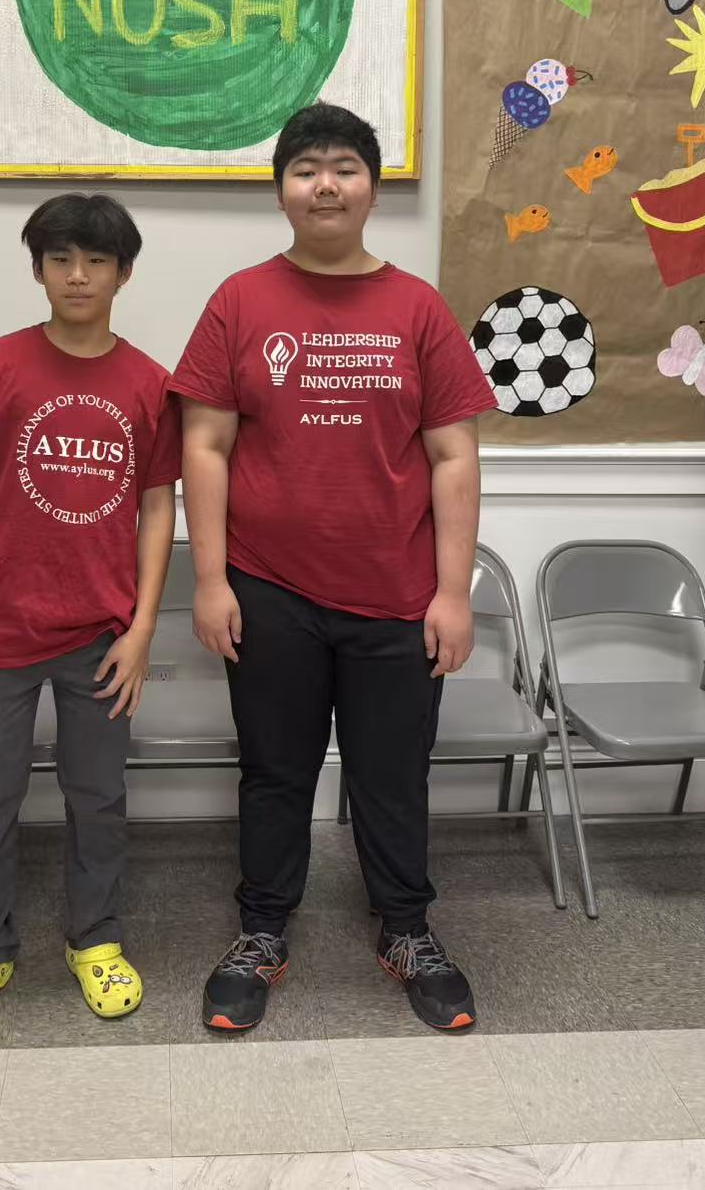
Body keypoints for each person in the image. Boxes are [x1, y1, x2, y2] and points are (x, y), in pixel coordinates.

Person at [171, 104, 495, 1034]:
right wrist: (210, 579)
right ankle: (261, 931)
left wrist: (453, 592)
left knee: (393, 774)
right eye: (306, 167)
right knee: (275, 770)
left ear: (373, 190)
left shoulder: (417, 307)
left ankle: (407, 930)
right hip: (268, 588)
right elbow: (205, 445)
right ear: (281, 190)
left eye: (345, 167)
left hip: (397, 594)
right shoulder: (240, 301)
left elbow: (454, 456)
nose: (326, 183)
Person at [0, 193, 180, 1038]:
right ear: (37, 269)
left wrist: (141, 629)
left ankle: (94, 939)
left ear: (123, 274)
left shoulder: (150, 383)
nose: (78, 275)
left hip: (102, 634)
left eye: (96, 260)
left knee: (98, 797)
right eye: (61, 258)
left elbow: (158, 508)